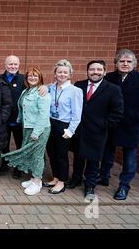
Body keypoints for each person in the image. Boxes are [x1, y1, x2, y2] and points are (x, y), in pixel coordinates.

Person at [97, 49, 139, 200]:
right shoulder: (108, 78)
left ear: (134, 64)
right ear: (116, 64)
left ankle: (124, 185)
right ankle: (103, 177)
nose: (125, 64)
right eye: (122, 61)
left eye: (128, 61)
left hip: (131, 124)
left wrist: (138, 116)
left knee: (129, 158)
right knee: (107, 152)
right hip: (111, 123)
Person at [68, 60, 124, 199]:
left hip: (98, 131)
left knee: (93, 160)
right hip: (80, 130)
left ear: (104, 72)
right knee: (78, 157)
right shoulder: (78, 85)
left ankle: (90, 185)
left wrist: (104, 125)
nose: (95, 72)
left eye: (99, 69)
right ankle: (75, 179)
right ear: (87, 71)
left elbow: (117, 112)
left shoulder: (113, 89)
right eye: (92, 69)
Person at [2, 67, 51, 195]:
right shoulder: (26, 91)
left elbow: (43, 115)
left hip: (39, 129)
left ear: (40, 78)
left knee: (37, 155)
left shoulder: (42, 93)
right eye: (30, 76)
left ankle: (37, 181)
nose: (32, 78)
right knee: (32, 154)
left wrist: (36, 132)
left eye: (35, 76)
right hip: (27, 126)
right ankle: (33, 178)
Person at [44, 59, 83, 194]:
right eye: (59, 72)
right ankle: (55, 177)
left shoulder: (75, 91)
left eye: (65, 72)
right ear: (55, 73)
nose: (62, 74)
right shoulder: (50, 87)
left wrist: (70, 130)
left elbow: (77, 114)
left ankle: (62, 181)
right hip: (50, 123)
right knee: (51, 152)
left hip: (64, 125)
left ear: (69, 74)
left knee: (61, 154)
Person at [0, 55, 25, 178]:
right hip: (3, 120)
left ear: (19, 65)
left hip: (18, 120)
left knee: (20, 145)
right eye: (10, 64)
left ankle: (18, 167)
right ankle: (4, 165)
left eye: (15, 64)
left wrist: (43, 88)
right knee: (4, 144)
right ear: (5, 65)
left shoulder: (24, 79)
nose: (13, 66)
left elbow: (36, 88)